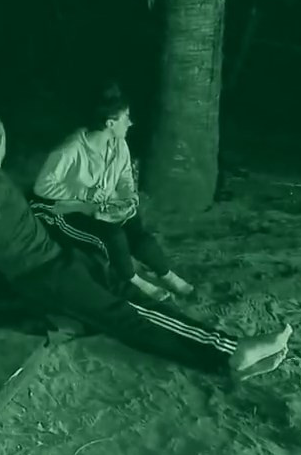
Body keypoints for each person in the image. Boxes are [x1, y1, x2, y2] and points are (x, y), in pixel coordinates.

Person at [0, 115, 292, 380]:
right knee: (128, 314)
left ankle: (226, 352)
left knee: (133, 299)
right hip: (44, 275)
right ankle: (230, 351)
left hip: (60, 261)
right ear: (0, 139)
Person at [30, 86, 193, 303]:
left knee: (137, 231)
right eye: (126, 117)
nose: (130, 123)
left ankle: (166, 274)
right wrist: (84, 192)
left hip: (101, 207)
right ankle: (134, 280)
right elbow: (42, 186)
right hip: (69, 210)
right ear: (109, 123)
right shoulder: (70, 150)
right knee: (113, 237)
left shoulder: (118, 144)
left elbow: (125, 176)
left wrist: (128, 196)